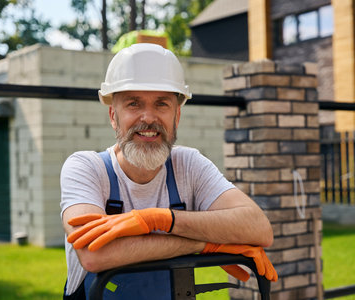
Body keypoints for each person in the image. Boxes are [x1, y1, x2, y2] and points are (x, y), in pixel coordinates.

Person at [60, 43, 277, 299]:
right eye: (133, 104)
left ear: (177, 116)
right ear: (113, 116)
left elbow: (258, 228)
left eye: (161, 104)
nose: (148, 117)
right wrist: (204, 244)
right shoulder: (86, 168)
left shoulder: (187, 165)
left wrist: (163, 220)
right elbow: (94, 255)